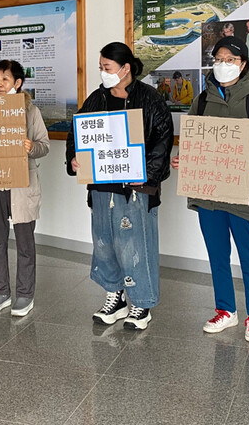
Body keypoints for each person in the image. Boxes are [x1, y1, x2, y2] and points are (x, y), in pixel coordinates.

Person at [172, 36, 249, 342]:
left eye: (230, 60)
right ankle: (226, 310)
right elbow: (192, 136)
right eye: (218, 59)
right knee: (217, 253)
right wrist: (185, 158)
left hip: (246, 193)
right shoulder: (203, 99)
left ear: (243, 64)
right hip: (209, 191)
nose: (223, 65)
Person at [66, 42, 173, 331]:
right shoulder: (96, 99)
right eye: (101, 67)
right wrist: (74, 158)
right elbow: (77, 133)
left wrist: (147, 174)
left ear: (125, 68)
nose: (103, 73)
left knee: (136, 246)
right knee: (105, 244)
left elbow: (163, 142)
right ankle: (116, 297)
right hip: (102, 187)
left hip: (136, 189)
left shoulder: (150, 100)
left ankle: (142, 303)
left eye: (107, 68)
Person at [0, 60, 50, 317]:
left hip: (21, 185)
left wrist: (30, 147)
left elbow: (44, 145)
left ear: (18, 83)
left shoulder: (30, 111)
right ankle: (1, 291)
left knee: (25, 243)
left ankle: (25, 295)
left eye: (5, 80)